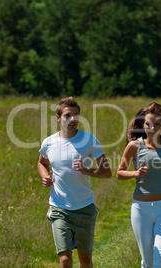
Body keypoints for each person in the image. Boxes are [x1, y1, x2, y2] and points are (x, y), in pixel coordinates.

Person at [37, 97, 111, 268]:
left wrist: (87, 171)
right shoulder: (49, 142)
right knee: (64, 259)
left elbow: (107, 172)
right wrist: (45, 176)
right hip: (59, 208)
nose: (73, 119)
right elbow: (42, 162)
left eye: (76, 115)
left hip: (84, 207)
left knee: (85, 261)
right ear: (58, 118)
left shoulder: (89, 140)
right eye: (67, 115)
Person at [117, 102, 161, 268]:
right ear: (142, 124)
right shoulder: (134, 146)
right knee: (147, 263)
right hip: (141, 209)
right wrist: (135, 173)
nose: (152, 128)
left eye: (157, 124)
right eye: (148, 123)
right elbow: (119, 173)